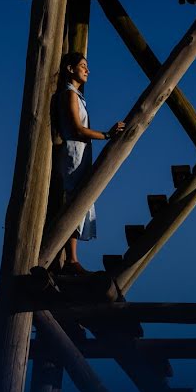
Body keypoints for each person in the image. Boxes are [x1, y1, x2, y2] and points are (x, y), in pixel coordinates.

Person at [54, 52, 125, 275]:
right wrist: (107, 135)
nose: (87, 70)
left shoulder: (76, 95)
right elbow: (77, 128)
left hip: (81, 152)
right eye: (82, 66)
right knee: (75, 200)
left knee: (80, 200)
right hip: (74, 153)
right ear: (69, 68)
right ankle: (71, 260)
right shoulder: (69, 94)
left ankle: (72, 259)